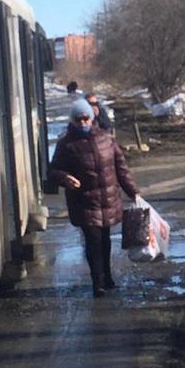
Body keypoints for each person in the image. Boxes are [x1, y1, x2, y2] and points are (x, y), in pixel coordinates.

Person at [49, 99, 138, 297]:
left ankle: (107, 276)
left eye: (85, 118)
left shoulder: (106, 139)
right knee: (93, 241)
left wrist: (133, 192)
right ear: (72, 121)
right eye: (78, 119)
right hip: (84, 202)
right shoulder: (66, 144)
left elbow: (121, 169)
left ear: (92, 118)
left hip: (108, 199)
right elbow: (54, 170)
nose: (82, 123)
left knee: (105, 240)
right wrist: (65, 178)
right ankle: (97, 282)